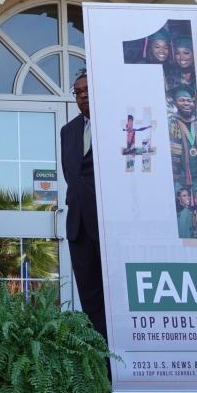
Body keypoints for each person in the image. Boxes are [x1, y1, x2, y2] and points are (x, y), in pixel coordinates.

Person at [61, 71, 106, 340]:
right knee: (89, 291)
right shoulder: (68, 130)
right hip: (78, 222)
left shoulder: (118, 123)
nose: (82, 95)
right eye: (77, 92)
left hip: (107, 220)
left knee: (113, 290)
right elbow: (72, 175)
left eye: (87, 89)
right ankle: (99, 354)